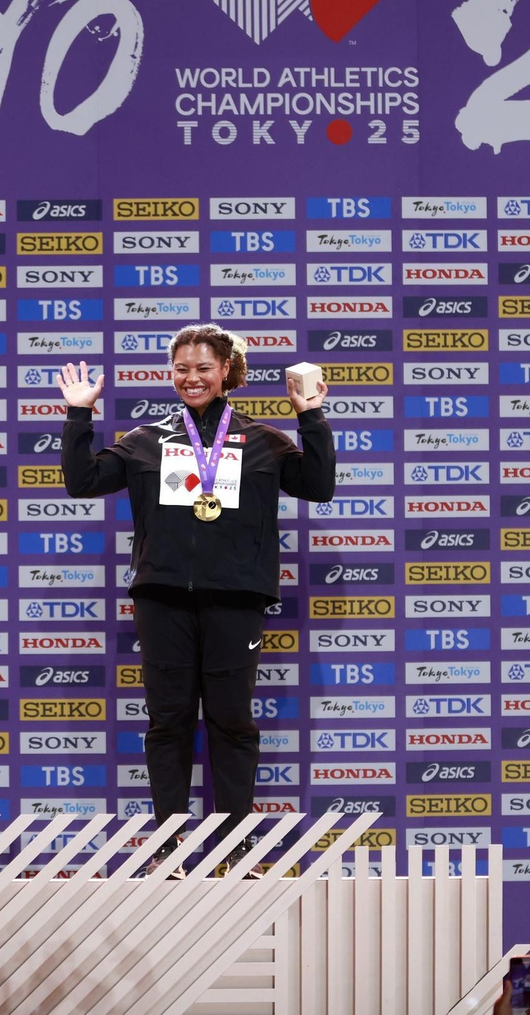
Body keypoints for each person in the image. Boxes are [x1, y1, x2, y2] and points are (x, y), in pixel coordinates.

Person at [57, 323, 335, 876]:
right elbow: (82, 482)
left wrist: (311, 417)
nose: (192, 378)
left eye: (204, 367)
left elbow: (318, 486)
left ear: (226, 370)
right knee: (169, 722)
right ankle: (169, 849)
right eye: (182, 369)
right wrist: (78, 414)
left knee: (232, 722)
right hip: (163, 601)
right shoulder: (147, 439)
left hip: (236, 601)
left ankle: (236, 850)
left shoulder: (263, 440)